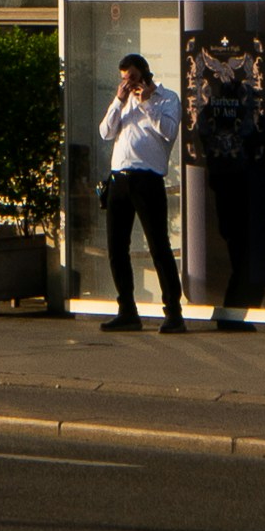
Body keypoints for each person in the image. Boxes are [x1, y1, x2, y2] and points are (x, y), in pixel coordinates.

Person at [99, 53, 185, 333]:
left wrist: (147, 102)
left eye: (133, 78)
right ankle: (127, 310)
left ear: (145, 75)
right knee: (116, 248)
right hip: (119, 179)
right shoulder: (123, 102)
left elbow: (169, 131)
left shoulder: (167, 99)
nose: (128, 83)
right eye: (124, 78)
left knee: (158, 247)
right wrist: (118, 101)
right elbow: (105, 133)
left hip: (147, 179)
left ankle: (173, 312)